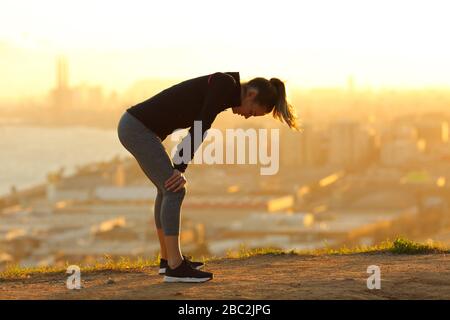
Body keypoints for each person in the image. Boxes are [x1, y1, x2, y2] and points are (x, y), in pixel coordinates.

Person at [117, 72, 300, 283]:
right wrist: (179, 167)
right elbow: (200, 126)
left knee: (165, 188)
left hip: (137, 127)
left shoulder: (224, 88)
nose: (247, 116)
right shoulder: (224, 85)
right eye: (252, 111)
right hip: (137, 129)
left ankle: (168, 260)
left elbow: (198, 125)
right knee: (175, 189)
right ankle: (175, 267)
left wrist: (178, 166)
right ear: (251, 94)